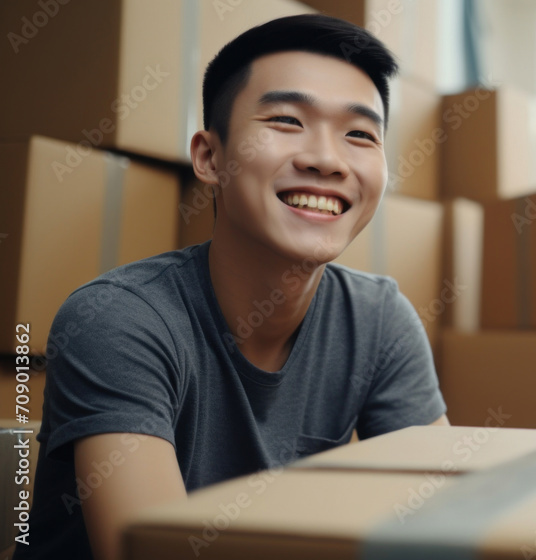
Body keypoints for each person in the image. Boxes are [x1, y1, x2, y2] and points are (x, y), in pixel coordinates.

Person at [15, 14, 448, 560]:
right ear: (209, 156)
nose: (327, 159)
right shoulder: (118, 320)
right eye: (288, 120)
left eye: (359, 134)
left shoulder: (378, 319)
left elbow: (443, 518)